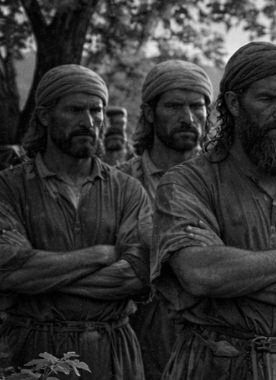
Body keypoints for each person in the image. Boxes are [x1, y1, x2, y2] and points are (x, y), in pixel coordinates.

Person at [154, 42, 276, 379]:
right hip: (213, 364)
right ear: (233, 103)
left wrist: (233, 279)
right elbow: (200, 274)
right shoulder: (187, 183)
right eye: (267, 99)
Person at [0, 64, 152, 379]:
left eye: (95, 111)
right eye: (74, 110)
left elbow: (136, 277)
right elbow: (11, 270)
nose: (88, 122)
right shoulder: (9, 188)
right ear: (44, 115)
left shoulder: (127, 189)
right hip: (32, 351)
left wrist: (45, 276)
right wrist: (101, 254)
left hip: (113, 354)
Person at [117, 59, 212, 380]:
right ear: (148, 112)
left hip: (214, 346)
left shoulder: (226, 182)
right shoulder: (121, 184)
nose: (188, 118)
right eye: (173, 106)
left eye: (197, 107)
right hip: (137, 341)